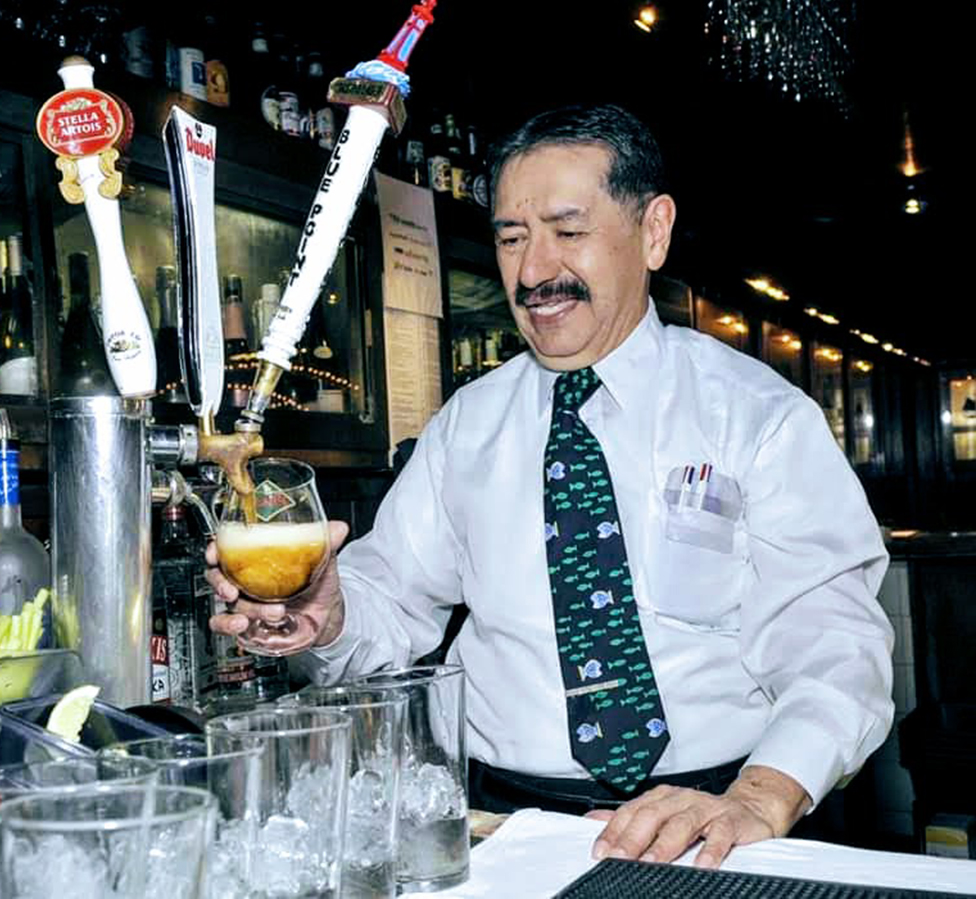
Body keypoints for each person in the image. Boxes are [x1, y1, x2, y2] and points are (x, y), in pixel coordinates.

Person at [208, 104, 894, 869]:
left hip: (712, 820)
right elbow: (392, 596)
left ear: (654, 231)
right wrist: (328, 614)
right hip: (505, 827)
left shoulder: (757, 416)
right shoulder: (466, 426)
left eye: (568, 232)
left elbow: (834, 642)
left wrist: (760, 797)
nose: (534, 272)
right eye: (510, 238)